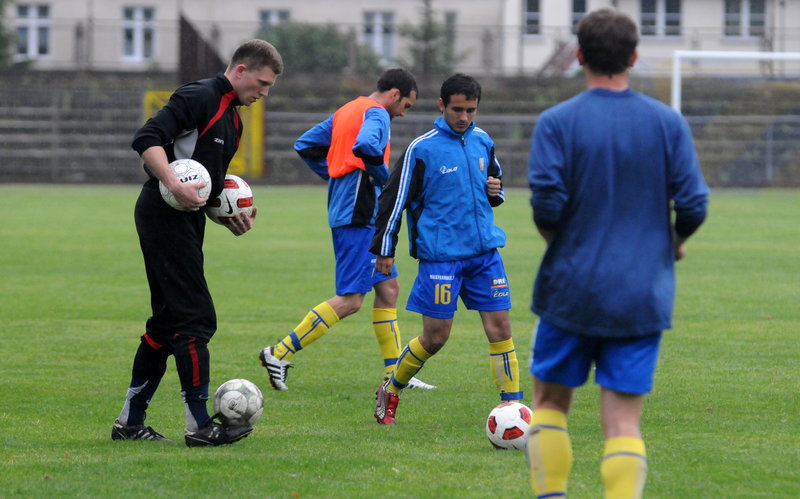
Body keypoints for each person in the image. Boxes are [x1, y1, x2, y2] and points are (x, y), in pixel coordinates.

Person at [525, 8, 709, 498]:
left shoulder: (555, 123)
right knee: (623, 421)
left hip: (571, 286)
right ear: (634, 56)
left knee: (549, 403)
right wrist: (670, 242)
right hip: (640, 290)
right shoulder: (667, 123)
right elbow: (693, 203)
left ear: (579, 55)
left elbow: (546, 203)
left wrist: (561, 241)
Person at [112, 39, 283, 447]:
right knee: (196, 321)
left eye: (269, 87)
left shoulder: (235, 123)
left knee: (167, 323)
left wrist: (228, 218)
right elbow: (147, 138)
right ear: (240, 70)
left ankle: (130, 423)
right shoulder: (200, 96)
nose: (263, 93)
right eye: (260, 83)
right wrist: (170, 180)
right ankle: (199, 427)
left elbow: (205, 190)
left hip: (185, 221)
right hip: (161, 213)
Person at [257, 68, 434, 391]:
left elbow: (305, 144)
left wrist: (336, 174)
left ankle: (395, 374)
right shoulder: (377, 114)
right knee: (351, 299)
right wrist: (384, 180)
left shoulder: (348, 109)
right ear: (395, 95)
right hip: (359, 211)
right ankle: (278, 352)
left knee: (388, 288)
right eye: (406, 105)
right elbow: (367, 146)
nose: (404, 113)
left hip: (350, 205)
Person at [371, 73, 524, 425]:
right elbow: (394, 200)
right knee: (436, 337)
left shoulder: (484, 141)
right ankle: (392, 388)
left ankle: (513, 411)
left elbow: (495, 187)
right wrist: (385, 248)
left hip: (484, 254)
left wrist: (496, 190)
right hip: (441, 258)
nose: (464, 117)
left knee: (501, 329)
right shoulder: (421, 149)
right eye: (457, 109)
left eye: (471, 110)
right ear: (441, 105)